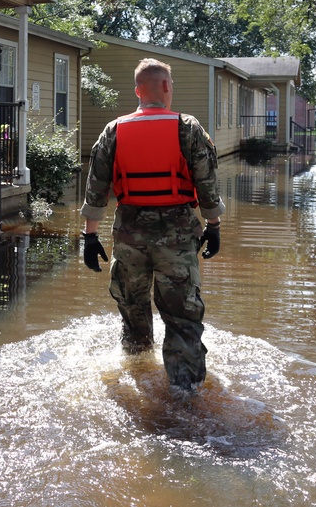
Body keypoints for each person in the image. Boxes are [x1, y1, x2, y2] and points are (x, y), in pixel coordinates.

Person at [80, 58, 225, 392]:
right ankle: (184, 395)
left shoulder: (113, 131)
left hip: (129, 237)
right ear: (165, 87)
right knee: (182, 317)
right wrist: (214, 226)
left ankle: (138, 375)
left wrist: (89, 237)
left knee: (133, 312)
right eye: (171, 85)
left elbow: (96, 189)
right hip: (177, 238)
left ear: (137, 91)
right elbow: (207, 184)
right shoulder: (188, 127)